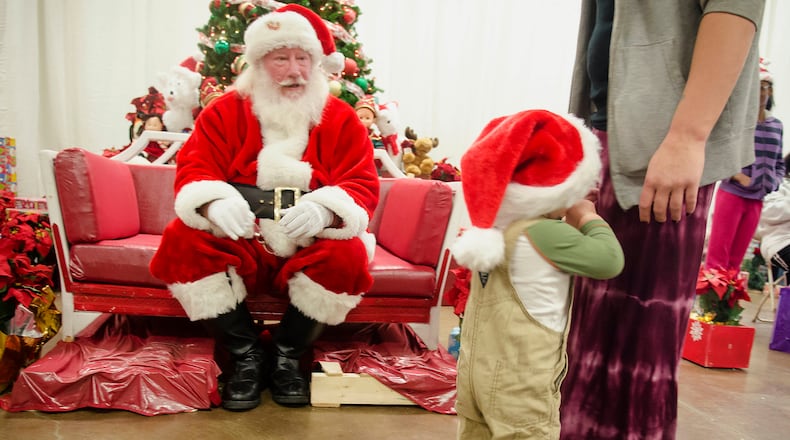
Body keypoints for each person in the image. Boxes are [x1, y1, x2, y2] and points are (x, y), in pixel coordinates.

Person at [149, 4, 379, 411]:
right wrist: (215, 201)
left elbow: (360, 182)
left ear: (316, 62)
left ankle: (287, 356)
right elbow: (195, 168)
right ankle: (246, 356)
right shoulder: (223, 112)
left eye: (303, 58)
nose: (295, 70)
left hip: (309, 242)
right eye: (281, 58)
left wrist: (328, 210)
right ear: (257, 64)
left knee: (348, 254)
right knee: (181, 240)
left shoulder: (341, 119)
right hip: (244, 239)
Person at [559, 2, 765, 439]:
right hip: (605, 132)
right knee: (586, 345)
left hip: (660, 140)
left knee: (635, 358)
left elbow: (735, 7)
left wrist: (687, 135)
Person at [451, 109, 624, 439]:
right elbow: (609, 260)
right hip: (521, 384)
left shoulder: (495, 230)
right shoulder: (546, 234)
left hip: (475, 376)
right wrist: (587, 216)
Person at [705, 59, 784, 272]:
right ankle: (711, 304)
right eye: (758, 87)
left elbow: (779, 163)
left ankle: (726, 306)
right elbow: (718, 152)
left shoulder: (776, 126)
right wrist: (738, 176)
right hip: (732, 195)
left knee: (735, 262)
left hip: (757, 200)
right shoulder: (736, 122)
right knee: (717, 259)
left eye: (766, 87)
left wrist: (772, 182)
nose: (762, 92)